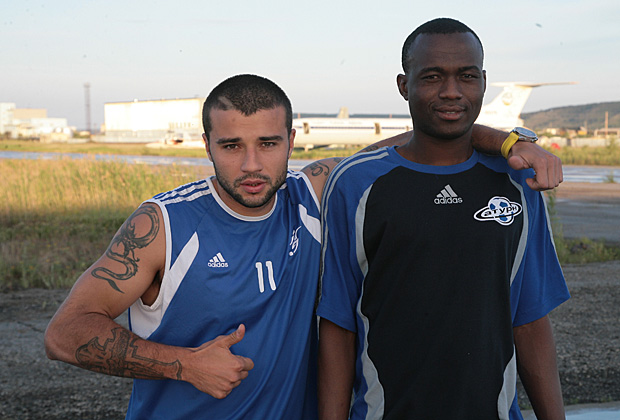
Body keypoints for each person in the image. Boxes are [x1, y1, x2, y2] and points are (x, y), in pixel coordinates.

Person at [44, 74, 562, 419]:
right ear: (207, 146)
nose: (252, 164)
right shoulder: (164, 225)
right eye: (231, 146)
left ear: (291, 142)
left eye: (268, 144)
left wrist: (514, 143)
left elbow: (424, 140)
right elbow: (65, 334)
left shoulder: (312, 196)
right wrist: (182, 364)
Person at [317, 18, 570, 420]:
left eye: (466, 76)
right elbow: (337, 324)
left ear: (483, 82)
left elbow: (530, 318)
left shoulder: (518, 182)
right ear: (404, 85)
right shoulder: (354, 185)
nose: (451, 91)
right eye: (432, 76)